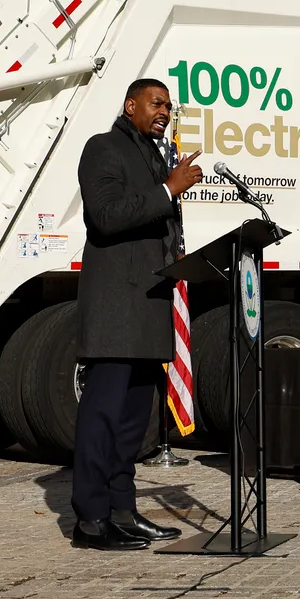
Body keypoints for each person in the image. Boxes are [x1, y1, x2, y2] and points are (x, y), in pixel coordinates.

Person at [69, 78, 203, 551]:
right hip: (115, 307)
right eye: (156, 103)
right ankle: (89, 520)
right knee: (102, 416)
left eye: (169, 105)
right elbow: (104, 216)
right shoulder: (103, 148)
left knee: (132, 422)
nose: (165, 111)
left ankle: (122, 510)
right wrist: (168, 189)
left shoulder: (154, 154)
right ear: (131, 106)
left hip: (149, 305)